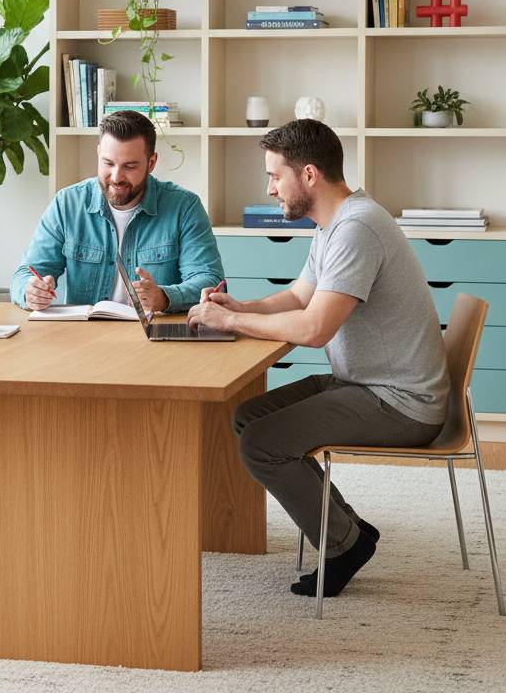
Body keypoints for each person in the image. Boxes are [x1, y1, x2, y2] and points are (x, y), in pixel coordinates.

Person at [187, 119, 448, 598]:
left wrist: (230, 325)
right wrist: (240, 308)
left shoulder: (357, 229)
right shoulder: (336, 223)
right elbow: (298, 297)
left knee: (261, 443)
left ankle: (345, 545)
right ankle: (349, 530)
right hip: (368, 384)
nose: (269, 189)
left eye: (274, 176)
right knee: (249, 416)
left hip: (400, 402)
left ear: (308, 175)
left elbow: (312, 329)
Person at [10, 110, 223, 314]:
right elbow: (25, 273)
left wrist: (164, 297)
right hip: (83, 338)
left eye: (129, 166)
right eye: (108, 163)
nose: (116, 176)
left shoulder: (184, 207)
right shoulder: (67, 203)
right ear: (98, 154)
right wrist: (30, 292)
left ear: (151, 163)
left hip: (154, 338)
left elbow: (210, 282)